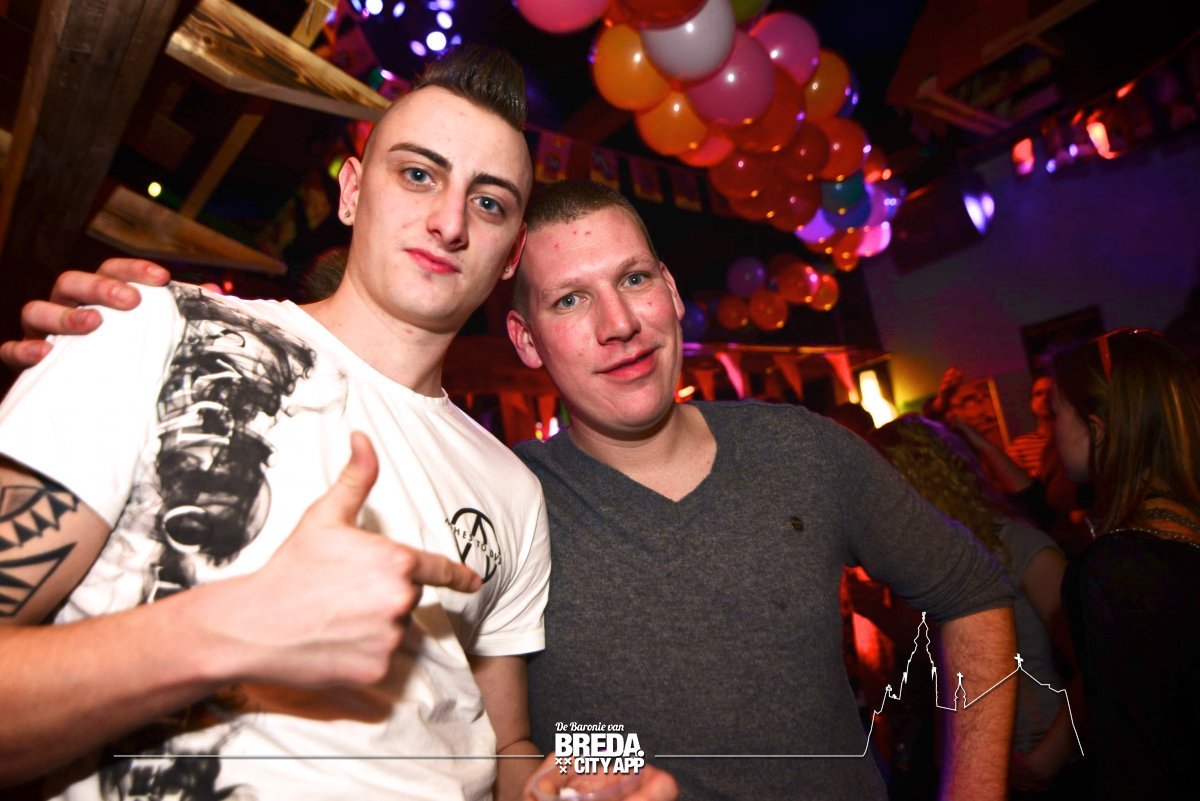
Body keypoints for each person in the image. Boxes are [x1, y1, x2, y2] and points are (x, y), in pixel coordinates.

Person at [9, 181, 1018, 799]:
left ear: (673, 293)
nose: (619, 324)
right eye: (571, 300)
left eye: (635, 280)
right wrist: (138, 338)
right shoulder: (495, 502)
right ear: (528, 342)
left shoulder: (804, 451)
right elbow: (502, 743)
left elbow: (974, 594)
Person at [0, 46, 560, 801]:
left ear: (510, 255)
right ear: (352, 191)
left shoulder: (513, 488)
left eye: (489, 203)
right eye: (418, 174)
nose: (449, 221)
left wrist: (579, 783)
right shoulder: (156, 328)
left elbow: (506, 742)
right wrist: (236, 627)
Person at [869, 415, 1085, 799]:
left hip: (1033, 766)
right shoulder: (926, 565)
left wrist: (1047, 757)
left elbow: (1096, 663)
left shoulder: (1020, 547)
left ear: (919, 481)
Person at [1049, 328, 1200, 799]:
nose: (1049, 431)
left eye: (1054, 414)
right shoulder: (1182, 531)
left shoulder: (1114, 571)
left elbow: (1132, 754)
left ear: (1096, 429)